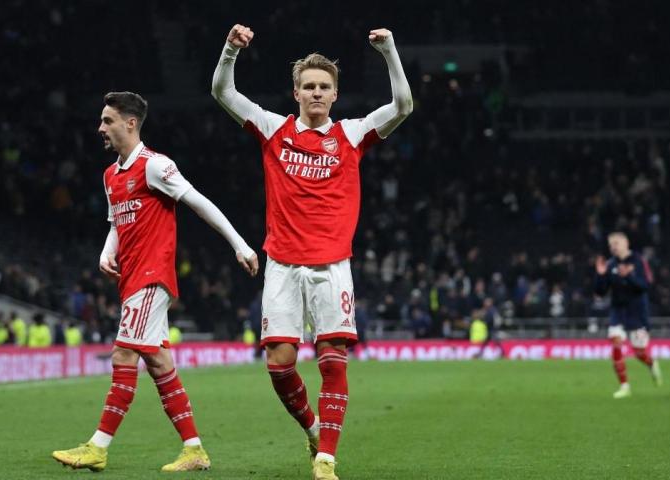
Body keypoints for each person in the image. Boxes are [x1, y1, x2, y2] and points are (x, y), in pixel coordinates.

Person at [212, 24, 412, 480]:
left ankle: (326, 457)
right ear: (296, 92)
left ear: (335, 94)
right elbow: (223, 92)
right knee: (279, 366)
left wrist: (389, 53)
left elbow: (403, 106)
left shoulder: (353, 134)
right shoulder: (273, 128)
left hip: (332, 266)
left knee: (331, 359)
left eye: (324, 87)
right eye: (309, 87)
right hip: (281, 264)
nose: (316, 93)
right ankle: (312, 428)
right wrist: (230, 50)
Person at [52, 91, 259, 472]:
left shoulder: (155, 166)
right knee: (160, 364)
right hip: (130, 278)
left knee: (122, 355)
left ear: (130, 123)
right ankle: (194, 450)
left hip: (152, 277)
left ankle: (98, 447)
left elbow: (198, 201)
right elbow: (118, 220)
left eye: (107, 120)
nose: (100, 127)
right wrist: (106, 250)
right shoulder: (110, 174)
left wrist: (240, 245)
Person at [595, 232, 663, 399]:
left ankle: (652, 364)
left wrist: (630, 276)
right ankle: (624, 386)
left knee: (639, 352)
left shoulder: (639, 261)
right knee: (616, 343)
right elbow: (600, 292)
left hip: (637, 313)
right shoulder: (610, 265)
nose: (613, 247)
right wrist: (601, 275)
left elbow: (646, 285)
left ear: (626, 243)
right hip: (618, 311)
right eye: (611, 245)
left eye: (616, 243)